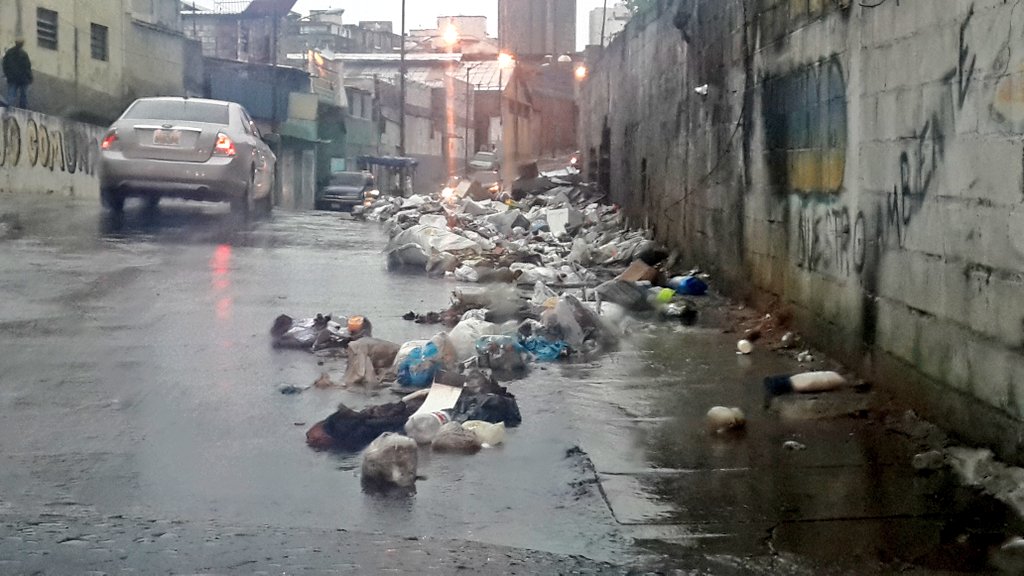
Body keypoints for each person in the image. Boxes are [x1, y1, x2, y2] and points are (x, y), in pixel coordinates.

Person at [3, 37, 32, 108]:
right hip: (22, 79)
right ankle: (22, 108)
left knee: (12, 94)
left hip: (13, 78)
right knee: (23, 94)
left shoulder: (9, 52)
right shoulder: (24, 54)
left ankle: (8, 107)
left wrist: (7, 74)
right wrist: (30, 77)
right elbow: (27, 67)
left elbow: (5, 65)